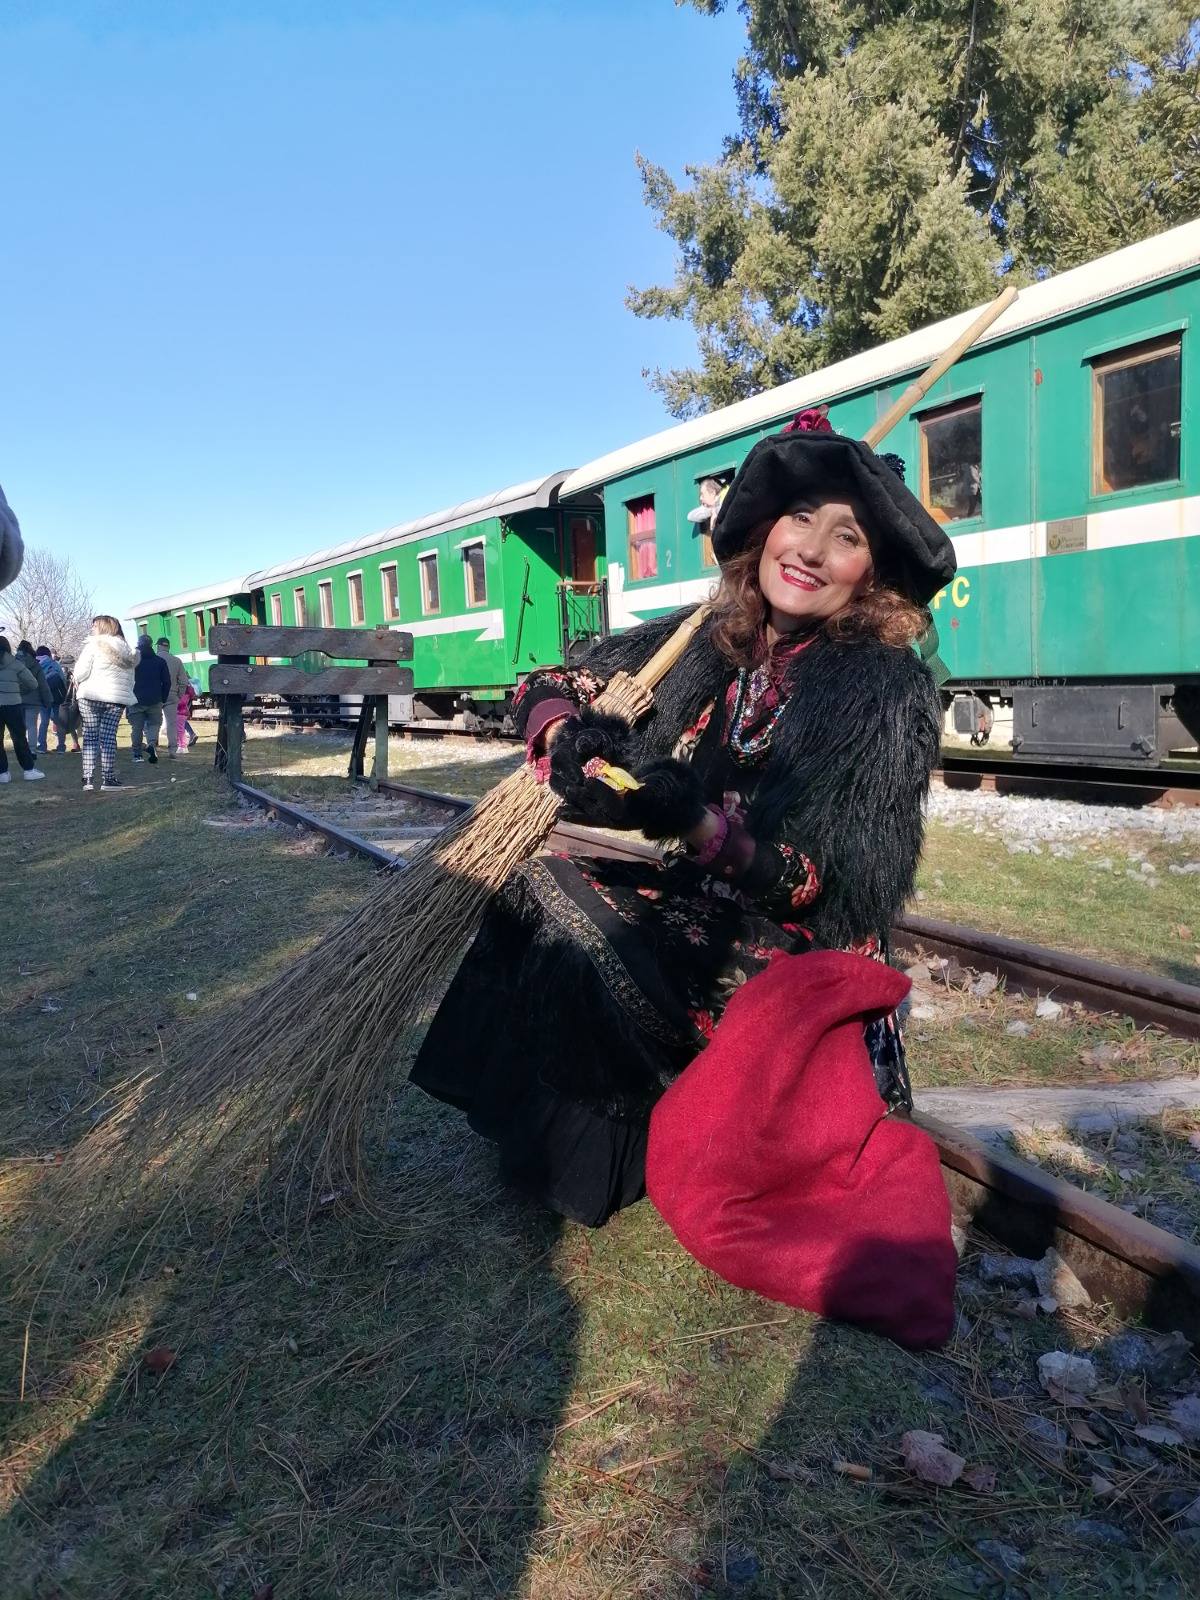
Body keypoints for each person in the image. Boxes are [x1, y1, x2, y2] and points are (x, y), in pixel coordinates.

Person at [410, 415, 956, 1229]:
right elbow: (549, 681)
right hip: (698, 898)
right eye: (799, 517)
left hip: (797, 950)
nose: (809, 549)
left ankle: (599, 1169)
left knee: (587, 930)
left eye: (844, 537)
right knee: (526, 887)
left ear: (871, 574)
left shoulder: (883, 694)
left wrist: (696, 823)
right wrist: (566, 734)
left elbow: (818, 887)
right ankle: (529, 1132)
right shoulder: (710, 638)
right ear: (766, 530)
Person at [73, 616, 136, 791]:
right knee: (108, 737)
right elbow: (131, 679)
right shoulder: (127, 650)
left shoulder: (93, 645)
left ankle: (87, 779)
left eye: (94, 625)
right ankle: (108, 779)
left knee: (90, 737)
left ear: (103, 627)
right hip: (115, 698)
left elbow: (80, 673)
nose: (92, 629)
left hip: (90, 696)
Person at [0, 636, 46, 782]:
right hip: (13, 705)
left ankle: (2, 773)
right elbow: (33, 683)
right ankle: (28, 770)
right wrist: (18, 690)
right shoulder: (15, 663)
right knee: (19, 738)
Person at [129, 634, 172, 764]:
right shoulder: (159, 661)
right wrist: (163, 698)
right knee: (154, 724)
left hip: (136, 699)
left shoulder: (132, 662)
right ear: (151, 644)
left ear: (138, 643)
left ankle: (137, 754)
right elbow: (167, 682)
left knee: (137, 728)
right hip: (155, 699)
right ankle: (152, 745)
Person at [155, 637, 191, 757]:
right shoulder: (177, 660)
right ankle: (172, 750)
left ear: (158, 646)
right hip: (171, 695)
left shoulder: (153, 659)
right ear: (168, 647)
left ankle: (153, 747)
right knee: (171, 723)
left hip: (155, 695)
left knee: (154, 722)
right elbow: (184, 681)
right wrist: (179, 694)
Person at [14, 640, 50, 754]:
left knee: (20, 726)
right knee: (32, 726)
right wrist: (47, 700)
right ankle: (32, 750)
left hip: (17, 698)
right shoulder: (36, 664)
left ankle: (21, 749)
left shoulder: (13, 663)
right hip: (34, 700)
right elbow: (43, 684)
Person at [34, 645, 68, 752]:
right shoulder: (55, 664)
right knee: (59, 722)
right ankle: (61, 747)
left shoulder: (36, 665)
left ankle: (42, 746)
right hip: (57, 697)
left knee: (44, 722)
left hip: (43, 697)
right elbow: (63, 679)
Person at [177, 677, 199, 750]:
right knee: (182, 720)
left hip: (179, 705)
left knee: (179, 721)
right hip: (185, 703)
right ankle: (191, 734)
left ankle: (181, 742)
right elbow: (193, 695)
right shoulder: (189, 685)